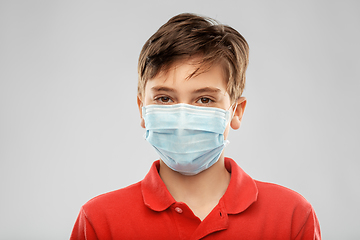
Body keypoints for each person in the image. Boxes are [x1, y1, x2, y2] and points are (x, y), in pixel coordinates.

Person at [70, 13, 321, 239]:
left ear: (237, 111)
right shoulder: (100, 222)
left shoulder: (291, 217)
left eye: (204, 99)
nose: (183, 117)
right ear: (142, 110)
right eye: (165, 98)